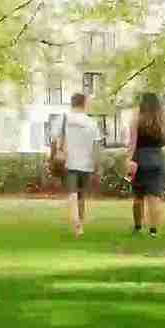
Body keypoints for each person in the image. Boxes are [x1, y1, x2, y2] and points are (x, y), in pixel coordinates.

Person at [54, 93, 102, 236]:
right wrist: (97, 164)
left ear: (72, 103)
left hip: (68, 162)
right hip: (87, 164)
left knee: (72, 193)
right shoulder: (91, 123)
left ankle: (77, 224)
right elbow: (96, 146)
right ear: (84, 103)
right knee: (81, 195)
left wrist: (55, 154)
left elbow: (55, 139)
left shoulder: (64, 118)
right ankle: (80, 222)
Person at [126, 91, 165, 237]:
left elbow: (132, 141)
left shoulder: (137, 117)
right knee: (154, 196)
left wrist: (129, 159)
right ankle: (153, 231)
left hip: (140, 158)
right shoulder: (163, 118)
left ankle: (138, 227)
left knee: (138, 197)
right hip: (157, 157)